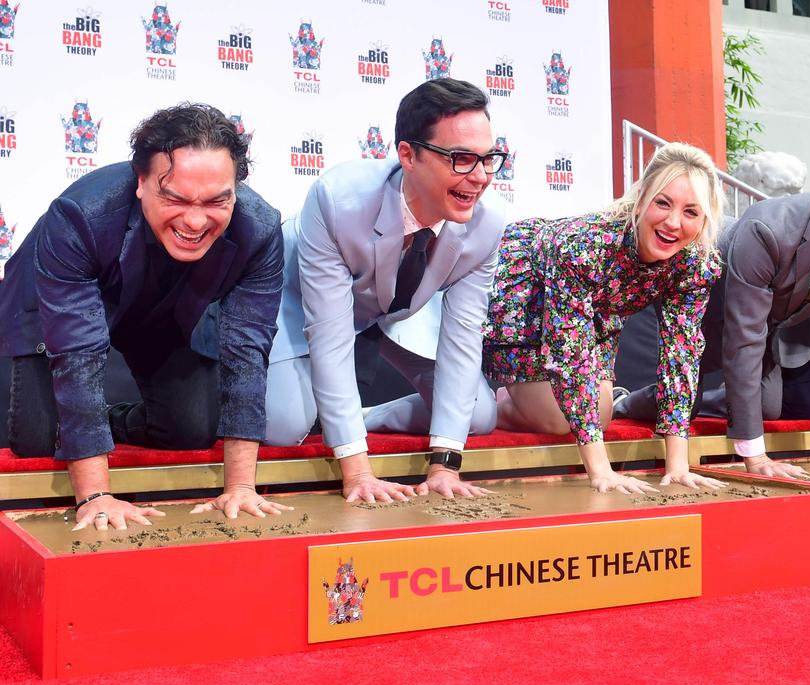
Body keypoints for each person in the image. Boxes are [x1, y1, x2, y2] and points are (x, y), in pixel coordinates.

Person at [0, 103, 288, 530]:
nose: (194, 220)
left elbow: (248, 351)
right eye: (174, 198)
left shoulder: (259, 230)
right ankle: (78, 423)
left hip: (161, 306)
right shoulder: (82, 214)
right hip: (57, 307)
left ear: (236, 189)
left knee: (191, 430)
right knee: (40, 441)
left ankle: (105, 418)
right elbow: (77, 351)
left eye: (215, 201)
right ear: (141, 183)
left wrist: (242, 487)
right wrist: (96, 495)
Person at [265, 78, 507, 501]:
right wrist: (358, 471)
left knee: (478, 415)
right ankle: (334, 420)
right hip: (300, 300)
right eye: (462, 159)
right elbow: (329, 332)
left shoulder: (487, 221)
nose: (480, 177)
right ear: (408, 155)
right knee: (283, 424)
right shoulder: (338, 199)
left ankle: (358, 416)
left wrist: (444, 464)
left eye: (489, 159)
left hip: (394, 308)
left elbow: (464, 335)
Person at [615, 141, 810, 478]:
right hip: (710, 308)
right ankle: (624, 401)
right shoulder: (768, 229)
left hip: (767, 322)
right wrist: (754, 456)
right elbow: (744, 339)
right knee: (685, 399)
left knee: (767, 406)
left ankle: (730, 401)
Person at [483, 143, 725, 493]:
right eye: (663, 203)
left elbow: (681, 354)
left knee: (599, 416)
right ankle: (495, 405)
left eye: (691, 212)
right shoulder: (586, 247)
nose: (673, 223)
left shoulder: (695, 265)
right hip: (527, 296)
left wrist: (677, 465)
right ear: (641, 200)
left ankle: (528, 397)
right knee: (556, 420)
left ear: (704, 219)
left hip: (593, 315)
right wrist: (601, 472)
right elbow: (569, 353)